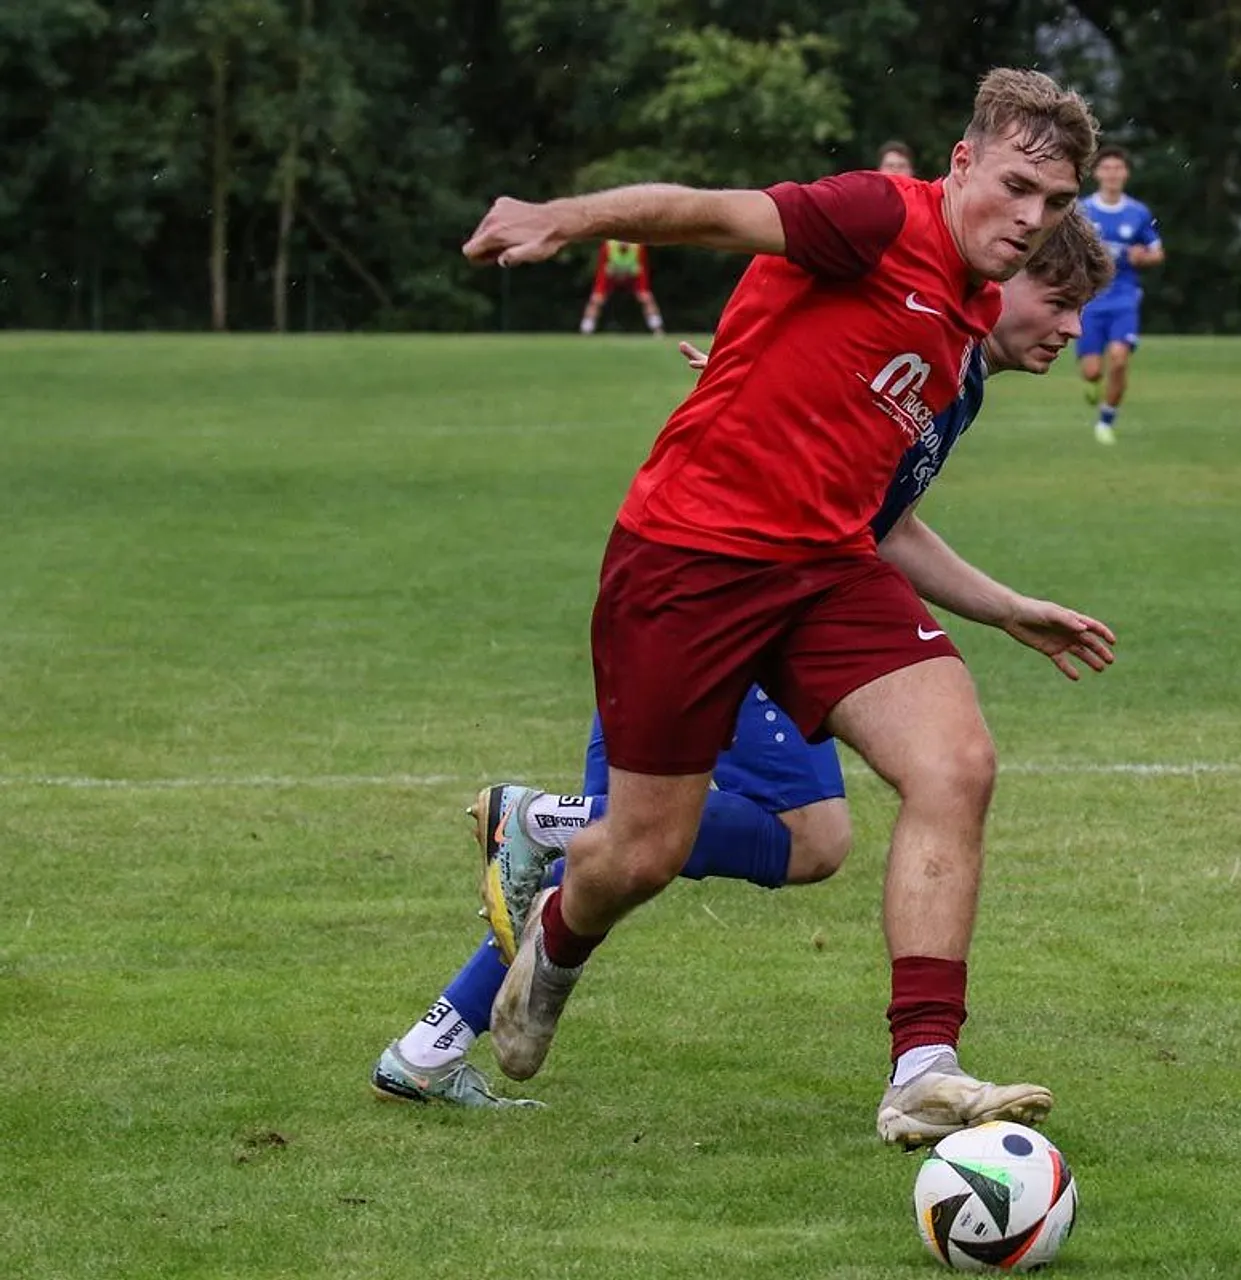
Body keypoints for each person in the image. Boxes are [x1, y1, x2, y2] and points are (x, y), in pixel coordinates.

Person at [457, 69, 1101, 1147]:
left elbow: (879, 504)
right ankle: (559, 937)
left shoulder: (974, 309)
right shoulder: (869, 215)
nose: (1033, 218)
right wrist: (565, 217)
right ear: (963, 162)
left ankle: (923, 1066)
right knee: (643, 852)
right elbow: (712, 213)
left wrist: (1001, 609)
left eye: (1057, 202)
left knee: (957, 762)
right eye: (1019, 185)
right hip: (689, 560)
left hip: (824, 568)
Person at [1076, 145, 1163, 445]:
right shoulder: (1082, 210)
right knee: (1091, 370)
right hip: (1091, 299)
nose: (1112, 174)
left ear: (1125, 173)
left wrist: (1143, 256)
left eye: (1118, 168)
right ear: (1097, 172)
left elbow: (1157, 252)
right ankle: (1091, 382)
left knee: (1119, 359)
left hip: (1125, 297)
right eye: (1107, 168)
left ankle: (1106, 420)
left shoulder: (1138, 213)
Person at [580, 239, 664, 336]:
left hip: (633, 276)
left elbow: (642, 268)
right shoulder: (608, 246)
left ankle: (657, 329)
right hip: (611, 276)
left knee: (646, 298)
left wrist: (640, 287)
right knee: (596, 299)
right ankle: (586, 329)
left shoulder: (638, 247)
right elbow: (602, 268)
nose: (624, 243)